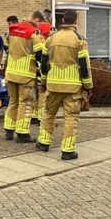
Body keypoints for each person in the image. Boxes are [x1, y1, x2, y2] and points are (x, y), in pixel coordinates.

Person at [36, 9, 92, 160]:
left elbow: (44, 63)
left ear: (62, 21)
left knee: (48, 113)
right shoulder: (79, 40)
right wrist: (88, 86)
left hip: (53, 85)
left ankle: (43, 142)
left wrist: (44, 82)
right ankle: (67, 151)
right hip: (72, 87)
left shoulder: (51, 39)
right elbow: (84, 66)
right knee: (71, 117)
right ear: (75, 22)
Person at [1, 14, 46, 143]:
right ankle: (22, 133)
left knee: (13, 101)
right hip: (26, 74)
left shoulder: (12, 30)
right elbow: (40, 55)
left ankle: (9, 130)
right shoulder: (35, 33)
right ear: (35, 21)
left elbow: (6, 49)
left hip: (11, 72)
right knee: (25, 103)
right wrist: (43, 72)